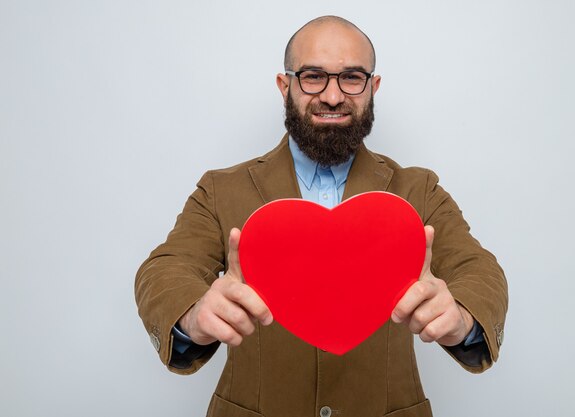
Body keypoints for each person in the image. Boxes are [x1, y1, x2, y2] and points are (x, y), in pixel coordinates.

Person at [135, 15, 507, 417]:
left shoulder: (419, 191)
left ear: (373, 87)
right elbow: (166, 268)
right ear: (285, 86)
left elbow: (479, 269)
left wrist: (462, 319)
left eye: (351, 77)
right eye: (313, 76)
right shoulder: (220, 189)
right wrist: (192, 314)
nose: (332, 96)